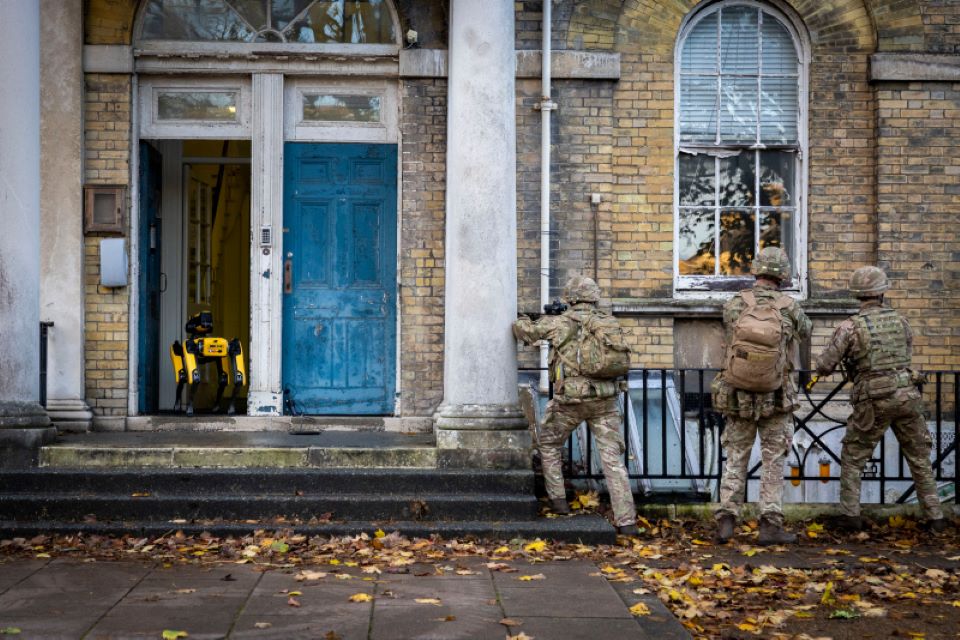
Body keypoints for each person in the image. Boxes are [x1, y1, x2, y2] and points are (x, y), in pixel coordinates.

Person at [812, 266, 947, 533]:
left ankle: (850, 516)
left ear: (857, 294)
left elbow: (825, 365)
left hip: (874, 400)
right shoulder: (901, 321)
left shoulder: (850, 326)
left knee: (854, 456)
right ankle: (936, 517)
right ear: (882, 292)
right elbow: (906, 355)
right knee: (919, 458)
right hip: (907, 395)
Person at [513, 275, 639, 535]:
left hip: (570, 400)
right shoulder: (608, 322)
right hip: (605, 399)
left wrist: (525, 318)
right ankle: (627, 521)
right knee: (613, 461)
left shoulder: (560, 322)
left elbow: (522, 331)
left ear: (571, 298)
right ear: (594, 296)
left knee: (548, 443)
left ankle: (559, 501)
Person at [712, 247, 811, 545]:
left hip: (738, 394)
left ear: (755, 271)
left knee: (735, 457)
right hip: (776, 396)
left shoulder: (735, 304)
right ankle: (769, 524)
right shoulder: (789, 307)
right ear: (782, 274)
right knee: (773, 461)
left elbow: (729, 332)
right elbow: (806, 331)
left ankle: (727, 519)